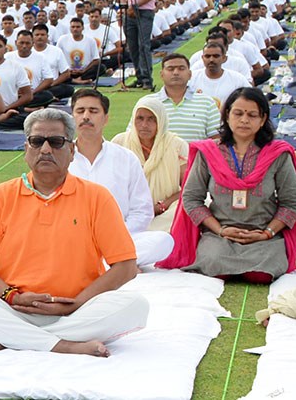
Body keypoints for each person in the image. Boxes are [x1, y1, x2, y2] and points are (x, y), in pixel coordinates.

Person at [0, 108, 149, 357]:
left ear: (72, 151)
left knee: (137, 306)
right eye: (37, 141)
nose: (46, 150)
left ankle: (12, 338)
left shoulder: (97, 197)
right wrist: (12, 296)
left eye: (56, 142)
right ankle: (66, 345)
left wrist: (78, 303)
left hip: (77, 310)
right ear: (26, 148)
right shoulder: (2, 195)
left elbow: (125, 266)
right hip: (13, 307)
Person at [157, 87, 296, 283]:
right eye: (238, 113)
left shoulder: (278, 154)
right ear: (227, 116)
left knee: (261, 274)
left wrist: (267, 233)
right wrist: (220, 230)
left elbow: (292, 202)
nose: (244, 120)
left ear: (262, 120)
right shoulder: (209, 152)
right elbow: (191, 199)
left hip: (264, 236)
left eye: (252, 115)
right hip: (220, 235)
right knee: (215, 264)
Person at [68, 89, 173, 267]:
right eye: (80, 111)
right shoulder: (60, 157)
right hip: (70, 236)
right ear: (72, 117)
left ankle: (100, 261)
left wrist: (113, 234)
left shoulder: (125, 158)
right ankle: (114, 262)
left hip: (117, 237)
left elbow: (142, 211)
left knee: (164, 241)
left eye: (93, 111)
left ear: (106, 118)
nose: (86, 116)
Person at [112, 96, 187, 232]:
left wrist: (161, 206)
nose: (144, 125)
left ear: (161, 120)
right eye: (140, 118)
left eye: (151, 119)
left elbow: (187, 188)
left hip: (166, 210)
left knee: (185, 207)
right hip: (128, 209)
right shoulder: (120, 142)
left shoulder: (177, 146)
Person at [138, 53, 220, 142]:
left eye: (181, 68)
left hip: (196, 156)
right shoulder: (147, 103)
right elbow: (134, 136)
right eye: (170, 69)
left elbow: (216, 139)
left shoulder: (207, 102)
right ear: (162, 75)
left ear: (189, 74)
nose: (176, 73)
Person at [119, 0, 160, 91]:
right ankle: (139, 77)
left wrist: (135, 6)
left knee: (143, 45)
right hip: (129, 13)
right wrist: (125, 8)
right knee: (133, 46)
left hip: (144, 12)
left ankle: (147, 78)